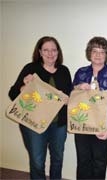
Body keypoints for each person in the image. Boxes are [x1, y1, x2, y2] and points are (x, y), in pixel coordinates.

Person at [8, 36, 72, 180]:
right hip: (33, 124)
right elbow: (12, 94)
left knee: (58, 159)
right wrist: (24, 85)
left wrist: (69, 99)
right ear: (40, 52)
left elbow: (69, 96)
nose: (50, 54)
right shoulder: (31, 69)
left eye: (54, 50)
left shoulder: (64, 70)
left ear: (58, 52)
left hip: (58, 124)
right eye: (46, 50)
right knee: (37, 161)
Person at [73, 36, 107, 180]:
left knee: (99, 163)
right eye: (95, 51)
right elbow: (72, 98)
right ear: (89, 53)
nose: (98, 55)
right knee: (83, 162)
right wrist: (78, 87)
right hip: (82, 123)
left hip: (104, 125)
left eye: (102, 52)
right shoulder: (81, 72)